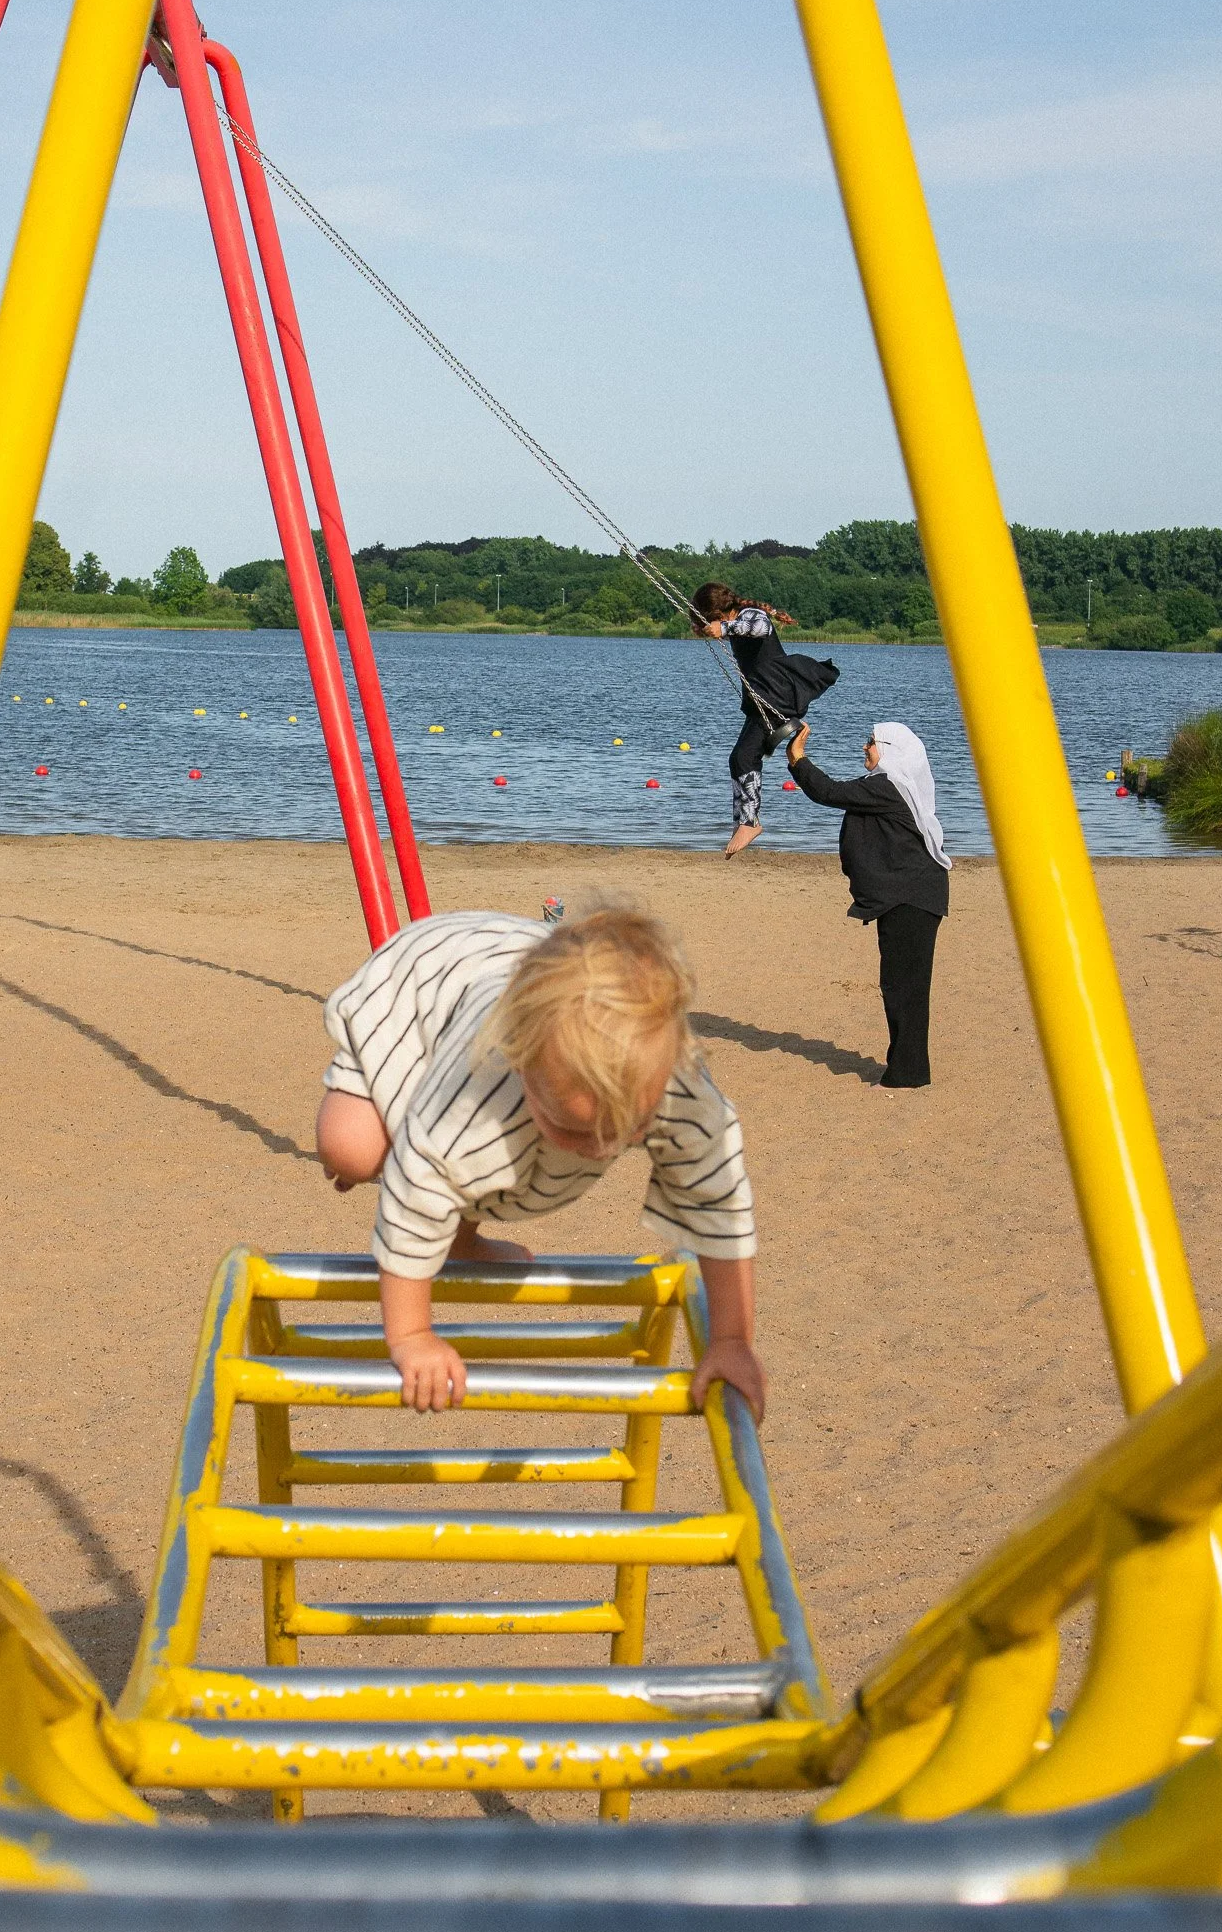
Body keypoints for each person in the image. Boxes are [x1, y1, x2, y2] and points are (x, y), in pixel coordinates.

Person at [315, 901, 766, 1419]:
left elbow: (718, 1202)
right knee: (353, 1147)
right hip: (423, 981)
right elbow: (416, 1193)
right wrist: (413, 1336)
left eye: (629, 1129)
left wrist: (732, 1338)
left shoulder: (681, 1089)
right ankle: (372, 1147)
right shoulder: (476, 1092)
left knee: (490, 1154)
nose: (602, 1149)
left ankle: (462, 1240)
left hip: (509, 979)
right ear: (520, 1063)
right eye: (574, 1129)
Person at [787, 718, 950, 1088]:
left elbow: (828, 792)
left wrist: (798, 759)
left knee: (903, 987)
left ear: (890, 752)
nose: (865, 747)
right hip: (907, 897)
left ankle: (907, 1074)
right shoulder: (887, 787)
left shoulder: (889, 788)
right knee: (900, 985)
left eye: (871, 742)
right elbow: (836, 792)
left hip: (913, 898)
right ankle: (906, 1068)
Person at [690, 582, 839, 858]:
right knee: (738, 758)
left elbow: (759, 628)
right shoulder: (735, 620)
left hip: (777, 694)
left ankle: (750, 822)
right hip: (764, 700)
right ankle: (743, 822)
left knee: (745, 756)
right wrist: (705, 629)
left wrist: (723, 629)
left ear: (719, 613)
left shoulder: (749, 615)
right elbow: (731, 630)